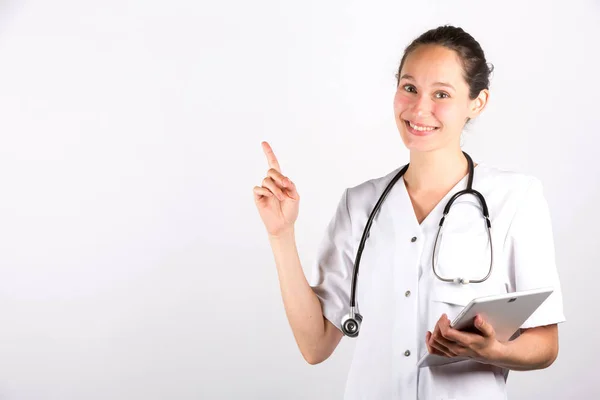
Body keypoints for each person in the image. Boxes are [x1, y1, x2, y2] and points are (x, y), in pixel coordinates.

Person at [253, 25, 565, 400]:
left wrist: (495, 351)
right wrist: (281, 234)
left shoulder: (515, 198)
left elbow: (546, 344)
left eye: (442, 94)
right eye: (410, 87)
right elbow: (315, 346)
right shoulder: (360, 205)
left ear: (477, 102)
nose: (420, 109)